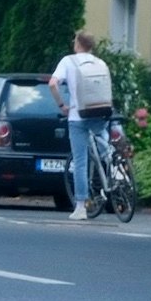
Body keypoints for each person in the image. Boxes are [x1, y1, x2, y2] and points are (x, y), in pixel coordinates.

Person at [48, 31, 116, 220]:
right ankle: (113, 160)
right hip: (101, 112)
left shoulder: (68, 61)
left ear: (77, 44)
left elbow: (53, 84)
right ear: (91, 46)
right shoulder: (100, 62)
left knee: (80, 161)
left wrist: (62, 105)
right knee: (102, 138)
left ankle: (81, 207)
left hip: (78, 116)